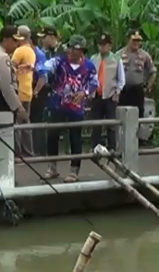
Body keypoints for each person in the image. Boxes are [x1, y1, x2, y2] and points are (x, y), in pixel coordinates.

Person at [36, 35, 98, 182]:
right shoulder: (59, 61)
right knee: (52, 136)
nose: (71, 52)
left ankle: (74, 171)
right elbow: (43, 67)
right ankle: (52, 168)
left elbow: (95, 83)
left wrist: (85, 92)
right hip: (57, 105)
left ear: (82, 51)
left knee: (75, 138)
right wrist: (42, 73)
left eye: (75, 49)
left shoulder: (89, 66)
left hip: (76, 108)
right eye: (69, 48)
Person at [31, 26, 62, 155]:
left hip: (58, 90)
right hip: (46, 90)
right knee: (41, 119)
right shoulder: (45, 52)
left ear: (51, 37)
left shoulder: (61, 52)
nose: (42, 40)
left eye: (44, 38)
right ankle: (42, 150)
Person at [90, 33, 124, 150]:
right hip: (96, 95)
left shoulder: (116, 59)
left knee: (111, 124)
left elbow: (121, 79)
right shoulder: (94, 58)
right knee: (96, 123)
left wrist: (117, 92)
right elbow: (89, 76)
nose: (102, 47)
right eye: (100, 45)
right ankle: (95, 146)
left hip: (110, 95)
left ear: (110, 46)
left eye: (104, 45)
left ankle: (112, 147)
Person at [10, 25, 39, 154]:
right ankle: (29, 152)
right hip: (28, 91)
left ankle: (17, 154)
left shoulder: (19, 51)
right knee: (26, 123)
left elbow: (10, 67)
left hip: (19, 90)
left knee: (16, 124)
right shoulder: (31, 51)